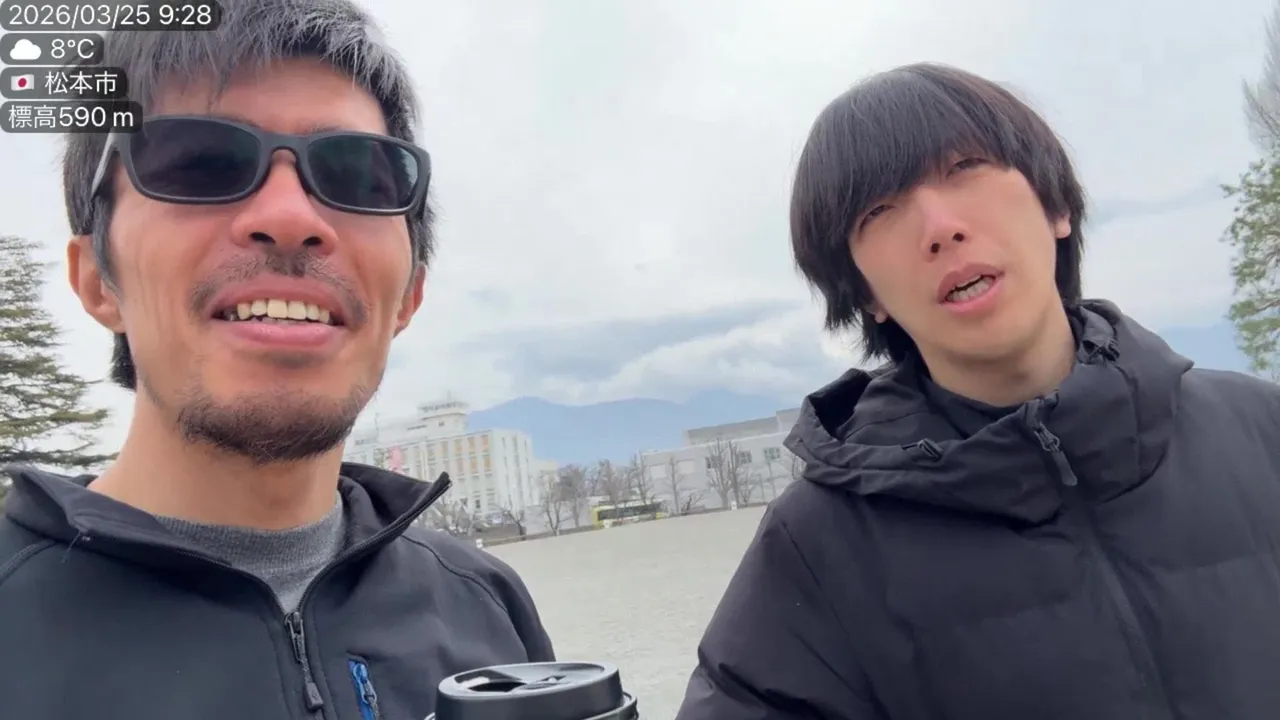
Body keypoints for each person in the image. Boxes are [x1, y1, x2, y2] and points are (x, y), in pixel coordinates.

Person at [0, 2, 555, 718]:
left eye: (358, 175)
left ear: (408, 297)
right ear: (96, 282)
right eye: (200, 164)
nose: (291, 217)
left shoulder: (486, 607)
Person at [676, 63, 1280, 720]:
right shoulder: (819, 547)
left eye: (965, 167)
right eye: (878, 211)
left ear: (1056, 207)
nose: (940, 227)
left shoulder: (1261, 430)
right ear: (866, 293)